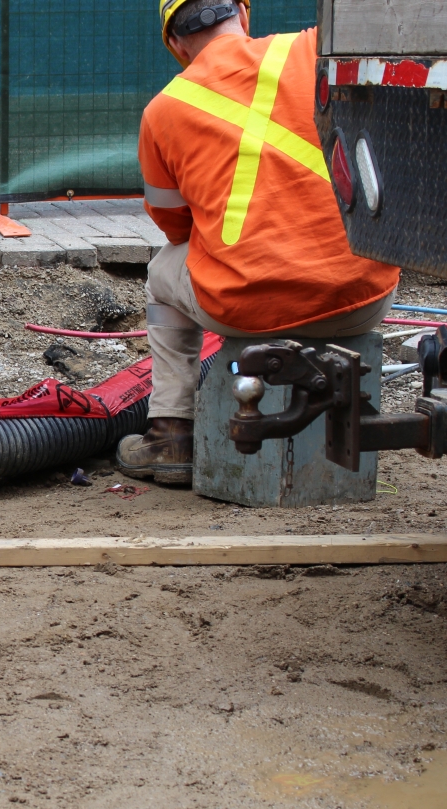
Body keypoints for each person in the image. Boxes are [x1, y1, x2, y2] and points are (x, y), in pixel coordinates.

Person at [116, 0, 400, 484]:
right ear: (243, 15)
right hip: (363, 293)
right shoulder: (310, 48)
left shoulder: (161, 112)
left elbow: (177, 230)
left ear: (175, 44)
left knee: (163, 271)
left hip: (248, 308)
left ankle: (170, 432)